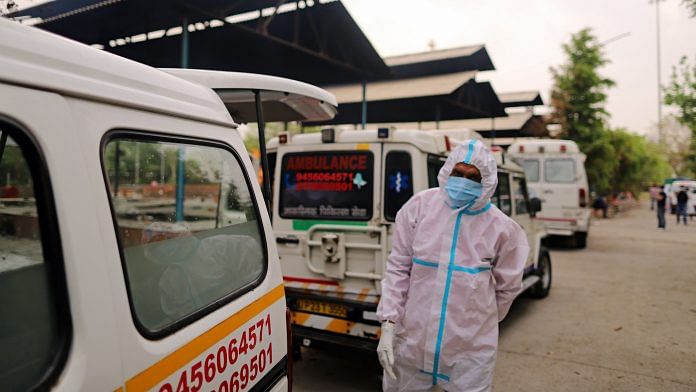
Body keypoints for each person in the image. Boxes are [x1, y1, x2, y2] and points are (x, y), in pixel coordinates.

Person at [376, 141, 529, 392]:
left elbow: (507, 289)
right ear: (447, 171)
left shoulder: (502, 228)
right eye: (458, 173)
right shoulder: (419, 207)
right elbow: (398, 269)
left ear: (487, 182)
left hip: (469, 351)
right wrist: (389, 324)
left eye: (473, 177)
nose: (463, 181)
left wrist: (475, 322)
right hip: (412, 341)